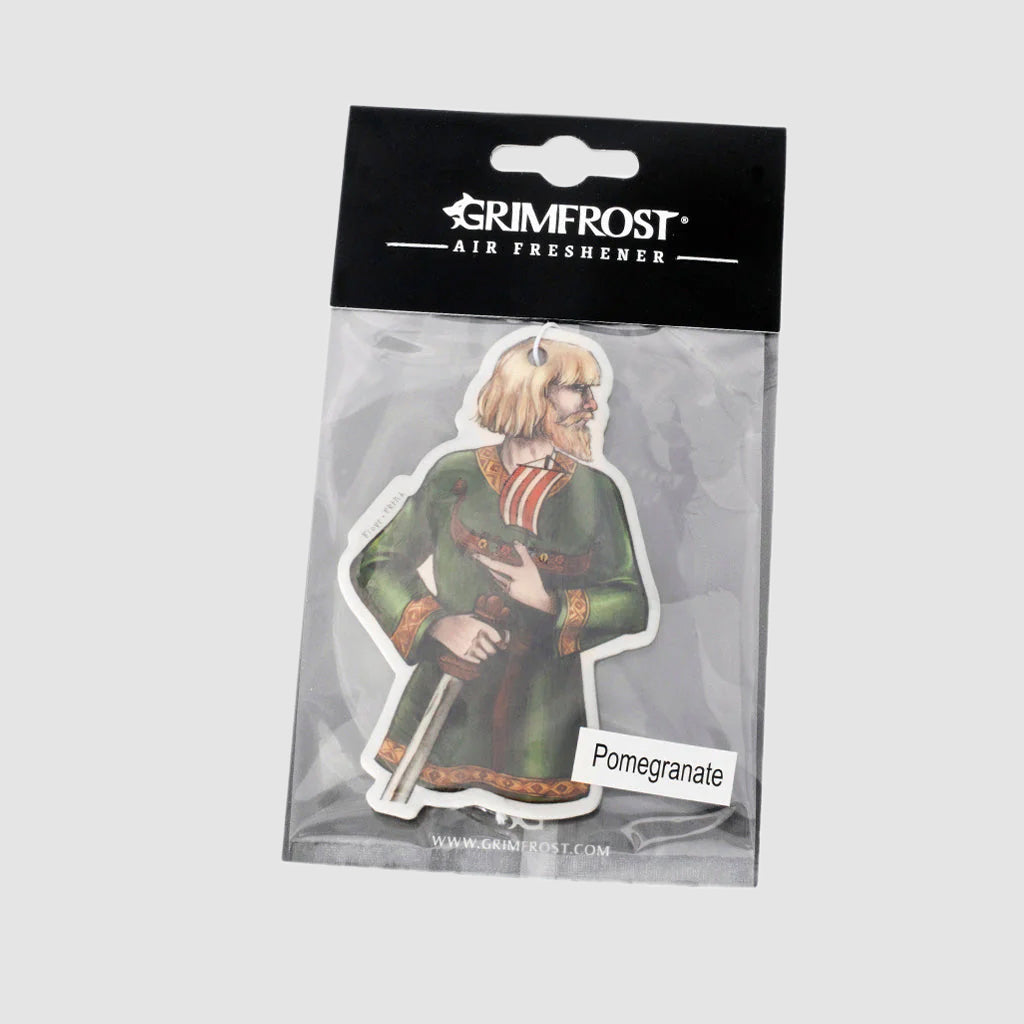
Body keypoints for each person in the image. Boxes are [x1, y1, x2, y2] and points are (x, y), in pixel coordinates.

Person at [352, 331, 649, 815]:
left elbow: (632, 602)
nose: (592, 405)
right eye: (578, 390)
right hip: (443, 707)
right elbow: (377, 565)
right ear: (533, 391)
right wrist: (440, 625)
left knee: (541, 836)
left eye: (591, 391)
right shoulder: (452, 474)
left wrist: (548, 602)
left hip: (542, 724)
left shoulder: (597, 492)